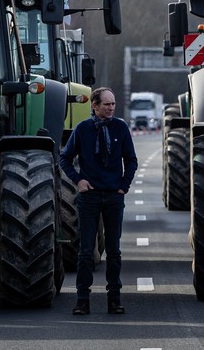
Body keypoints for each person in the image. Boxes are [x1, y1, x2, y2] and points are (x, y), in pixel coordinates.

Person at [59, 87, 138, 316]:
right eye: (106, 104)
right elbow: (64, 158)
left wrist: (124, 185)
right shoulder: (83, 129)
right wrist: (78, 180)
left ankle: (114, 299)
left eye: (113, 104)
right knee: (85, 251)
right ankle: (82, 300)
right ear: (95, 106)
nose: (111, 108)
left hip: (114, 196)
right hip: (89, 197)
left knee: (113, 251)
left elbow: (131, 160)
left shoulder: (120, 127)